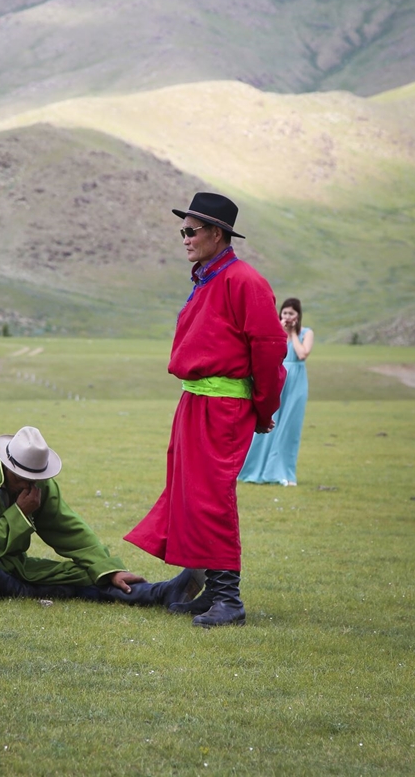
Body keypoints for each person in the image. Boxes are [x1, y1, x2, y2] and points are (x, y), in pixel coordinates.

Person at [123, 192, 287, 627]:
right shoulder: (208, 277)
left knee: (212, 498)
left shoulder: (244, 281)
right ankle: (211, 591)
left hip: (223, 408)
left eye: (192, 231)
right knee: (192, 495)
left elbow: (270, 350)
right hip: (197, 402)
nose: (185, 239)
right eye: (183, 231)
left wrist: (264, 406)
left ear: (217, 234)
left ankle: (229, 600)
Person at [0, 424, 204, 608]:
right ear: (7, 465)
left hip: (14, 567)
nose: (32, 484)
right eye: (25, 477)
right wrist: (19, 513)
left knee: (89, 572)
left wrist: (108, 568)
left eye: (37, 478)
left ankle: (161, 593)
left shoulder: (39, 486)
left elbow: (68, 531)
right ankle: (28, 589)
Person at [238, 297, 314, 486]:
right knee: (267, 422)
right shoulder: (276, 330)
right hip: (277, 378)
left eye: (291, 314)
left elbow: (302, 354)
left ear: (298, 316)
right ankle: (252, 469)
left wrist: (293, 334)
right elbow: (269, 349)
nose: (287, 317)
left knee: (289, 426)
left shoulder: (306, 333)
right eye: (285, 313)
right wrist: (280, 329)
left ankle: (281, 471)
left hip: (296, 380)